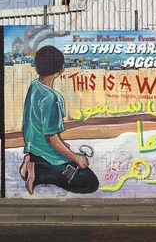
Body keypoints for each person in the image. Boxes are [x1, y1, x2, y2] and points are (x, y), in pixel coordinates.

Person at [19, 45, 99, 195]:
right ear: (61, 69)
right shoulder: (52, 99)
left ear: (37, 68)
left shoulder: (34, 86)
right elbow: (51, 138)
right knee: (90, 182)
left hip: (34, 147)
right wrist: (75, 157)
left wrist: (65, 148)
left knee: (67, 154)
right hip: (48, 155)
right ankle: (38, 173)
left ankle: (32, 160)